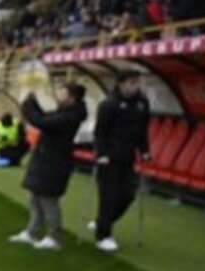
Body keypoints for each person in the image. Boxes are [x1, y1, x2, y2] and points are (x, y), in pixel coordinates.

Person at [9, 83, 87, 251]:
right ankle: (32, 232)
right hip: (46, 159)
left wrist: (29, 105)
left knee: (49, 200)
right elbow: (44, 117)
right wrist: (34, 103)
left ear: (72, 97)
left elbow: (41, 122)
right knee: (35, 198)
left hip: (55, 162)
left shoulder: (71, 116)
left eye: (63, 92)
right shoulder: (64, 112)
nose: (58, 94)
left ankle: (54, 237)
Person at [92, 72, 151, 252]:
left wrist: (145, 150)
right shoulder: (109, 104)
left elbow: (142, 130)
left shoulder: (142, 103)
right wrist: (101, 154)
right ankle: (104, 235)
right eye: (133, 82)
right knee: (108, 196)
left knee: (128, 194)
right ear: (121, 84)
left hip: (128, 157)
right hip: (109, 157)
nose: (136, 86)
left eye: (138, 82)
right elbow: (100, 133)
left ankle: (103, 221)